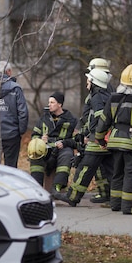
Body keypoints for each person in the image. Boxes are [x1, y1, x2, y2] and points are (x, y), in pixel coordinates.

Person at [95, 63, 132, 215]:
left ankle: (115, 204)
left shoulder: (113, 97)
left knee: (117, 172)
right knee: (131, 174)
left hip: (115, 142)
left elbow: (104, 121)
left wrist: (100, 139)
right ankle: (128, 207)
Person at [53, 68, 112, 206]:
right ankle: (112, 196)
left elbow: (98, 119)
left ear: (94, 83)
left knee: (84, 169)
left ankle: (72, 197)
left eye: (89, 81)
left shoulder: (96, 97)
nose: (87, 83)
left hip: (97, 141)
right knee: (108, 169)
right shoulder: (106, 96)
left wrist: (96, 136)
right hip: (106, 141)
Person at [28, 92, 78, 194]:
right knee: (35, 154)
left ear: (59, 104)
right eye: (49, 102)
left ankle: (57, 188)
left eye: (52, 102)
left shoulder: (71, 120)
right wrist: (41, 140)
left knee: (67, 155)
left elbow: (76, 140)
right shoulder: (43, 119)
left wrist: (64, 143)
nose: (49, 105)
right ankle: (36, 188)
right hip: (45, 149)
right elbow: (34, 136)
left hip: (62, 149)